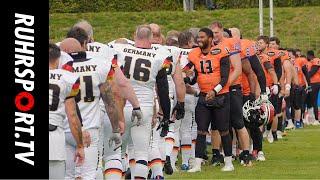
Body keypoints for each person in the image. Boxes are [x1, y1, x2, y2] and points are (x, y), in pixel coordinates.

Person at [113, 25, 172, 179]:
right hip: (144, 108)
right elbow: (163, 89)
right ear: (151, 37)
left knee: (115, 154)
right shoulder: (159, 56)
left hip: (121, 106)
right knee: (141, 152)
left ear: (134, 35)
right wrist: (165, 114)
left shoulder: (118, 49)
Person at [186, 28, 233, 172]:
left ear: (211, 38)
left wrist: (214, 91)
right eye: (198, 37)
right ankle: (198, 164)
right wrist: (187, 78)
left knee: (224, 130)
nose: (199, 39)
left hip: (220, 96)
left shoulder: (221, 52)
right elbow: (192, 75)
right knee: (201, 130)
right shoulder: (194, 54)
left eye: (202, 37)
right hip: (203, 96)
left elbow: (225, 78)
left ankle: (228, 162)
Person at [49, 43, 84, 179]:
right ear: (58, 59)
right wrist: (80, 145)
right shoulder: (67, 78)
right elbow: (72, 115)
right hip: (54, 140)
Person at [307, 50, 320, 125]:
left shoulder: (316, 60)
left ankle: (316, 119)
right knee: (310, 100)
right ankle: (312, 118)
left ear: (309, 55)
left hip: (315, 82)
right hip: (313, 82)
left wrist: (306, 77)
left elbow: (313, 72)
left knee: (313, 101)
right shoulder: (311, 62)